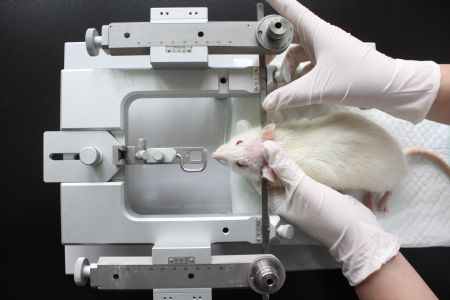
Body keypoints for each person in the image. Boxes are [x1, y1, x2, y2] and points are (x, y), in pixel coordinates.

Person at [262, 0, 449, 299]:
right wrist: (399, 81)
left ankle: (385, 188)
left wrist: (357, 244)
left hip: (380, 164)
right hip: (377, 152)